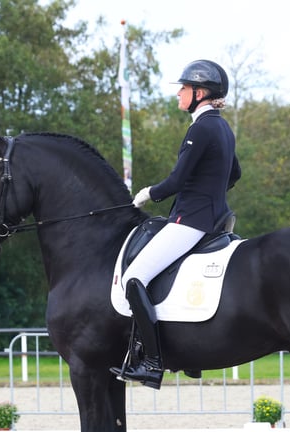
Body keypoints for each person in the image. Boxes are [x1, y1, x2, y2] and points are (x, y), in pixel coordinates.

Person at [111, 59, 242, 390]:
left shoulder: (201, 128)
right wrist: (210, 193)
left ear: (199, 92)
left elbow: (177, 180)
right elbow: (235, 174)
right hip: (216, 218)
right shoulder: (223, 127)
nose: (179, 95)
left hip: (192, 221)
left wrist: (147, 194)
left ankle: (152, 362)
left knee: (134, 277)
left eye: (183, 89)